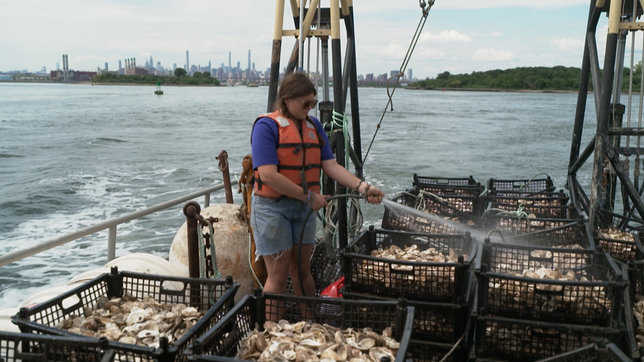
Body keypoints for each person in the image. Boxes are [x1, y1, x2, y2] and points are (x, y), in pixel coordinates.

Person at [250, 72, 384, 315]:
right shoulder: (266, 126)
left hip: (304, 209)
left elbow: (331, 166)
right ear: (287, 99)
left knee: (302, 270)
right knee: (278, 275)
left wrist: (363, 188)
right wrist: (310, 197)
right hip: (273, 209)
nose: (309, 108)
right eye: (305, 103)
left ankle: (310, 323)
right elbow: (268, 175)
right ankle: (269, 332)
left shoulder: (313, 126)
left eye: (312, 102)